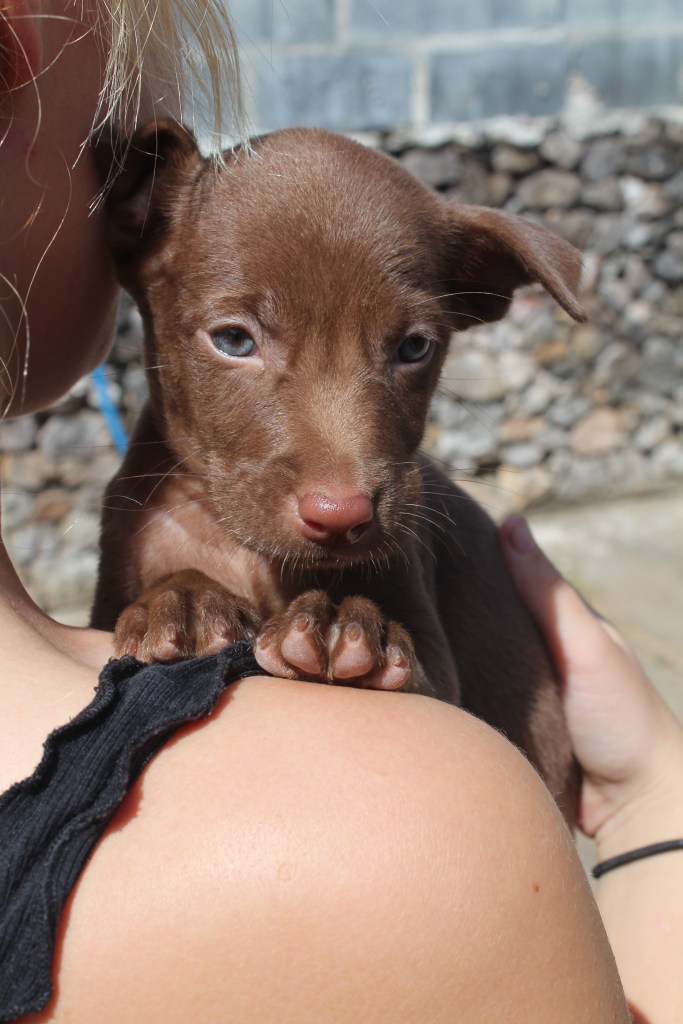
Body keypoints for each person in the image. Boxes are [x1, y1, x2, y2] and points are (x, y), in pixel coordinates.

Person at [0, 1, 681, 1020]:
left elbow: (436, 699)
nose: (341, 486)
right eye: (238, 337)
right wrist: (655, 801)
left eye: (408, 348)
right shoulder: (381, 853)